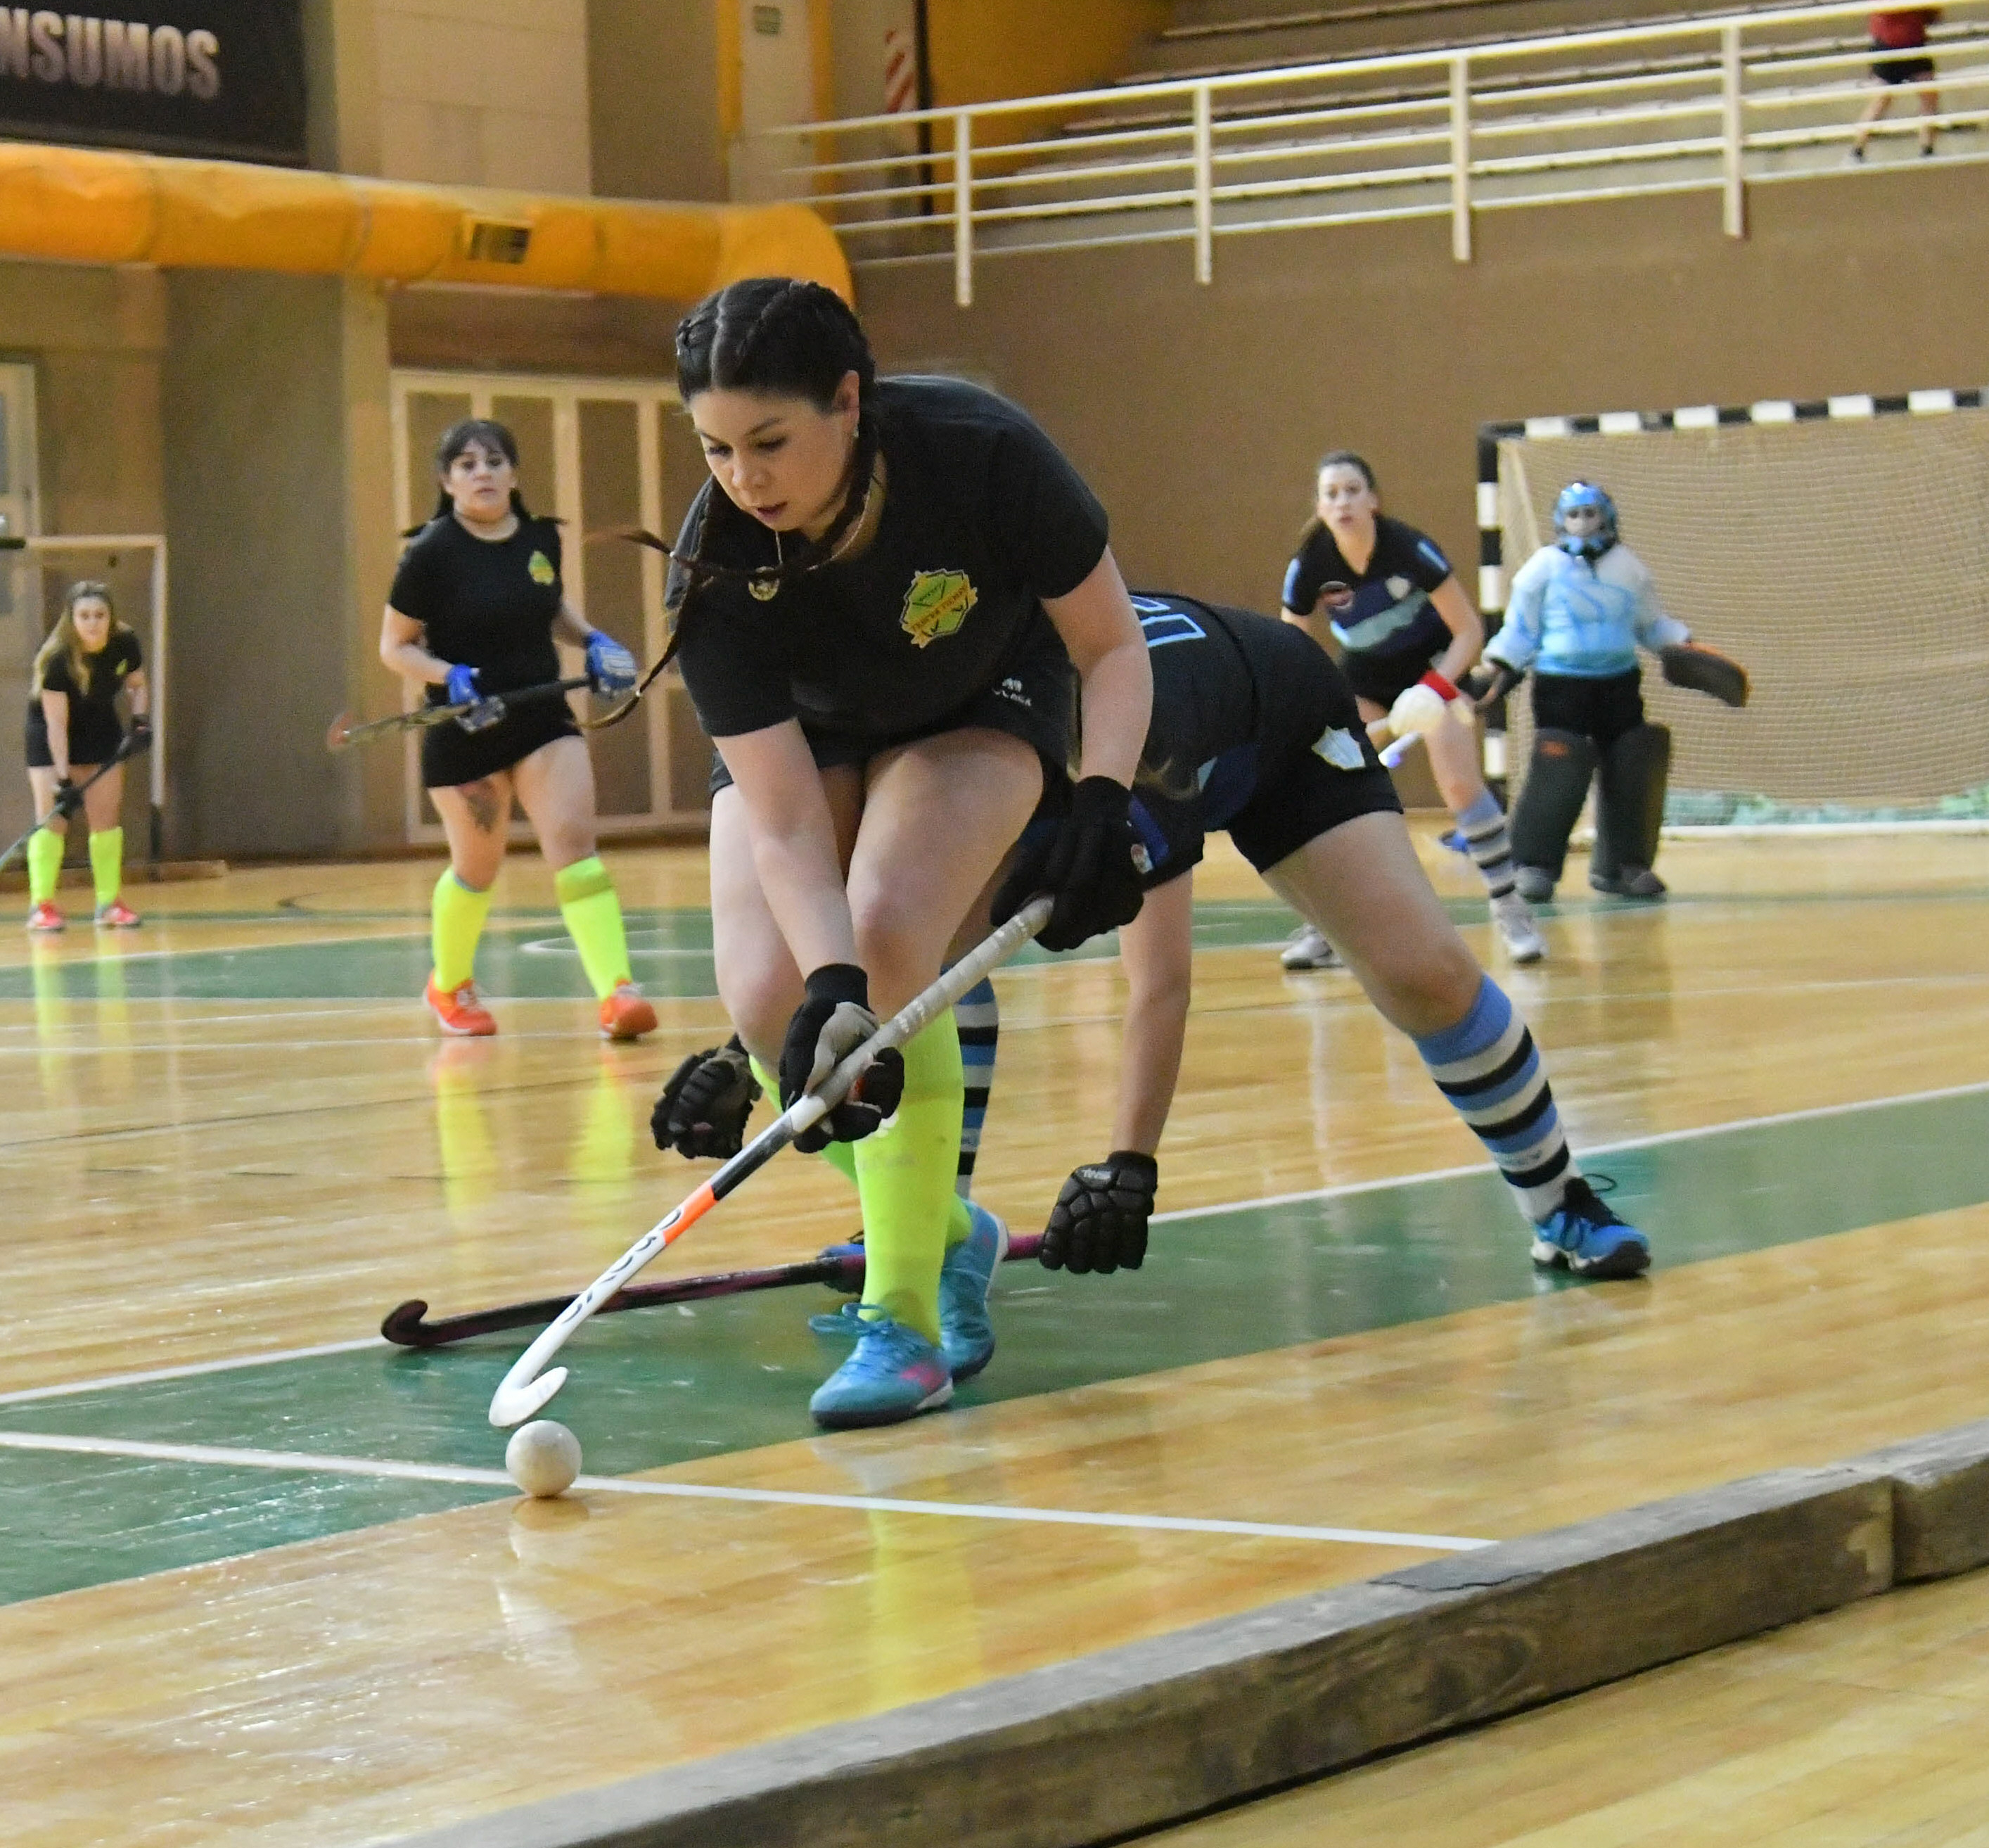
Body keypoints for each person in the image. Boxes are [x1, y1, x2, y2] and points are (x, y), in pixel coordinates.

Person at [653, 275, 1152, 1429]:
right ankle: (941, 1223)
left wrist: (1100, 800)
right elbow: (778, 817)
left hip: (980, 695)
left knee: (885, 940)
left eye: (770, 442)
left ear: (849, 398)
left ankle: (907, 1321)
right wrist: (820, 987)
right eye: (716, 449)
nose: (745, 478)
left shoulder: (981, 454)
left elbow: (1112, 645)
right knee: (771, 998)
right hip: (813, 736)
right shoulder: (719, 561)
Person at [382, 418, 657, 1042]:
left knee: (575, 848)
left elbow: (550, 603)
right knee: (477, 866)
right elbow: (394, 648)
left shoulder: (539, 540)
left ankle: (617, 990)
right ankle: (449, 984)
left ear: (514, 473)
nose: (482, 472)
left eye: (494, 461)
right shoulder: (429, 553)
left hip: (541, 720)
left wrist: (592, 640)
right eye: (466, 464)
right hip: (466, 728)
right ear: (447, 482)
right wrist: (448, 674)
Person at [1281, 452, 1544, 969]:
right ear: (1320, 505)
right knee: (1334, 789)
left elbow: (1469, 631)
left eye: (1353, 490)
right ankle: (1327, 929)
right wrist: (1308, 710)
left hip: (1433, 669)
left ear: (1373, 501)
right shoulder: (1310, 563)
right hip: (1365, 678)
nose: (1343, 502)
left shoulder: (1409, 548)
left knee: (1460, 787)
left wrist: (1435, 689)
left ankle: (1511, 910)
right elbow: (1291, 647)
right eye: (1331, 493)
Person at [1469, 481, 1690, 902]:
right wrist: (1496, 666)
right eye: (1575, 515)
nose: (1583, 524)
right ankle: (1533, 863)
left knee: (1631, 762)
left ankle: (1625, 865)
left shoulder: (1629, 568)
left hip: (1619, 684)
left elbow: (1650, 623)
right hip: (1560, 686)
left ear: (1606, 518)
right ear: (1560, 520)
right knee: (1559, 764)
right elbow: (1520, 630)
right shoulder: (1542, 569)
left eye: (1591, 514)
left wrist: (1682, 644)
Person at [23, 580, 149, 932]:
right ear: (71, 619)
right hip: (51, 736)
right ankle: (42, 905)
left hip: (101, 729)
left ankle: (109, 902)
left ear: (111, 618)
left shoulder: (125, 643)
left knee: (105, 819)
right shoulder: (55, 657)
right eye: (84, 616)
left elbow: (137, 685)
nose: (92, 623)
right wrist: (63, 780)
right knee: (53, 821)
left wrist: (140, 720)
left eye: (100, 615)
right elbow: (56, 725)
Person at [1851, 8, 1941, 160]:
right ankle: (1856, 151)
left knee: (1929, 95)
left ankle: (1928, 151)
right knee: (1881, 100)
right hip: (1888, 45)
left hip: (1914, 44)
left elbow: (1933, 14)